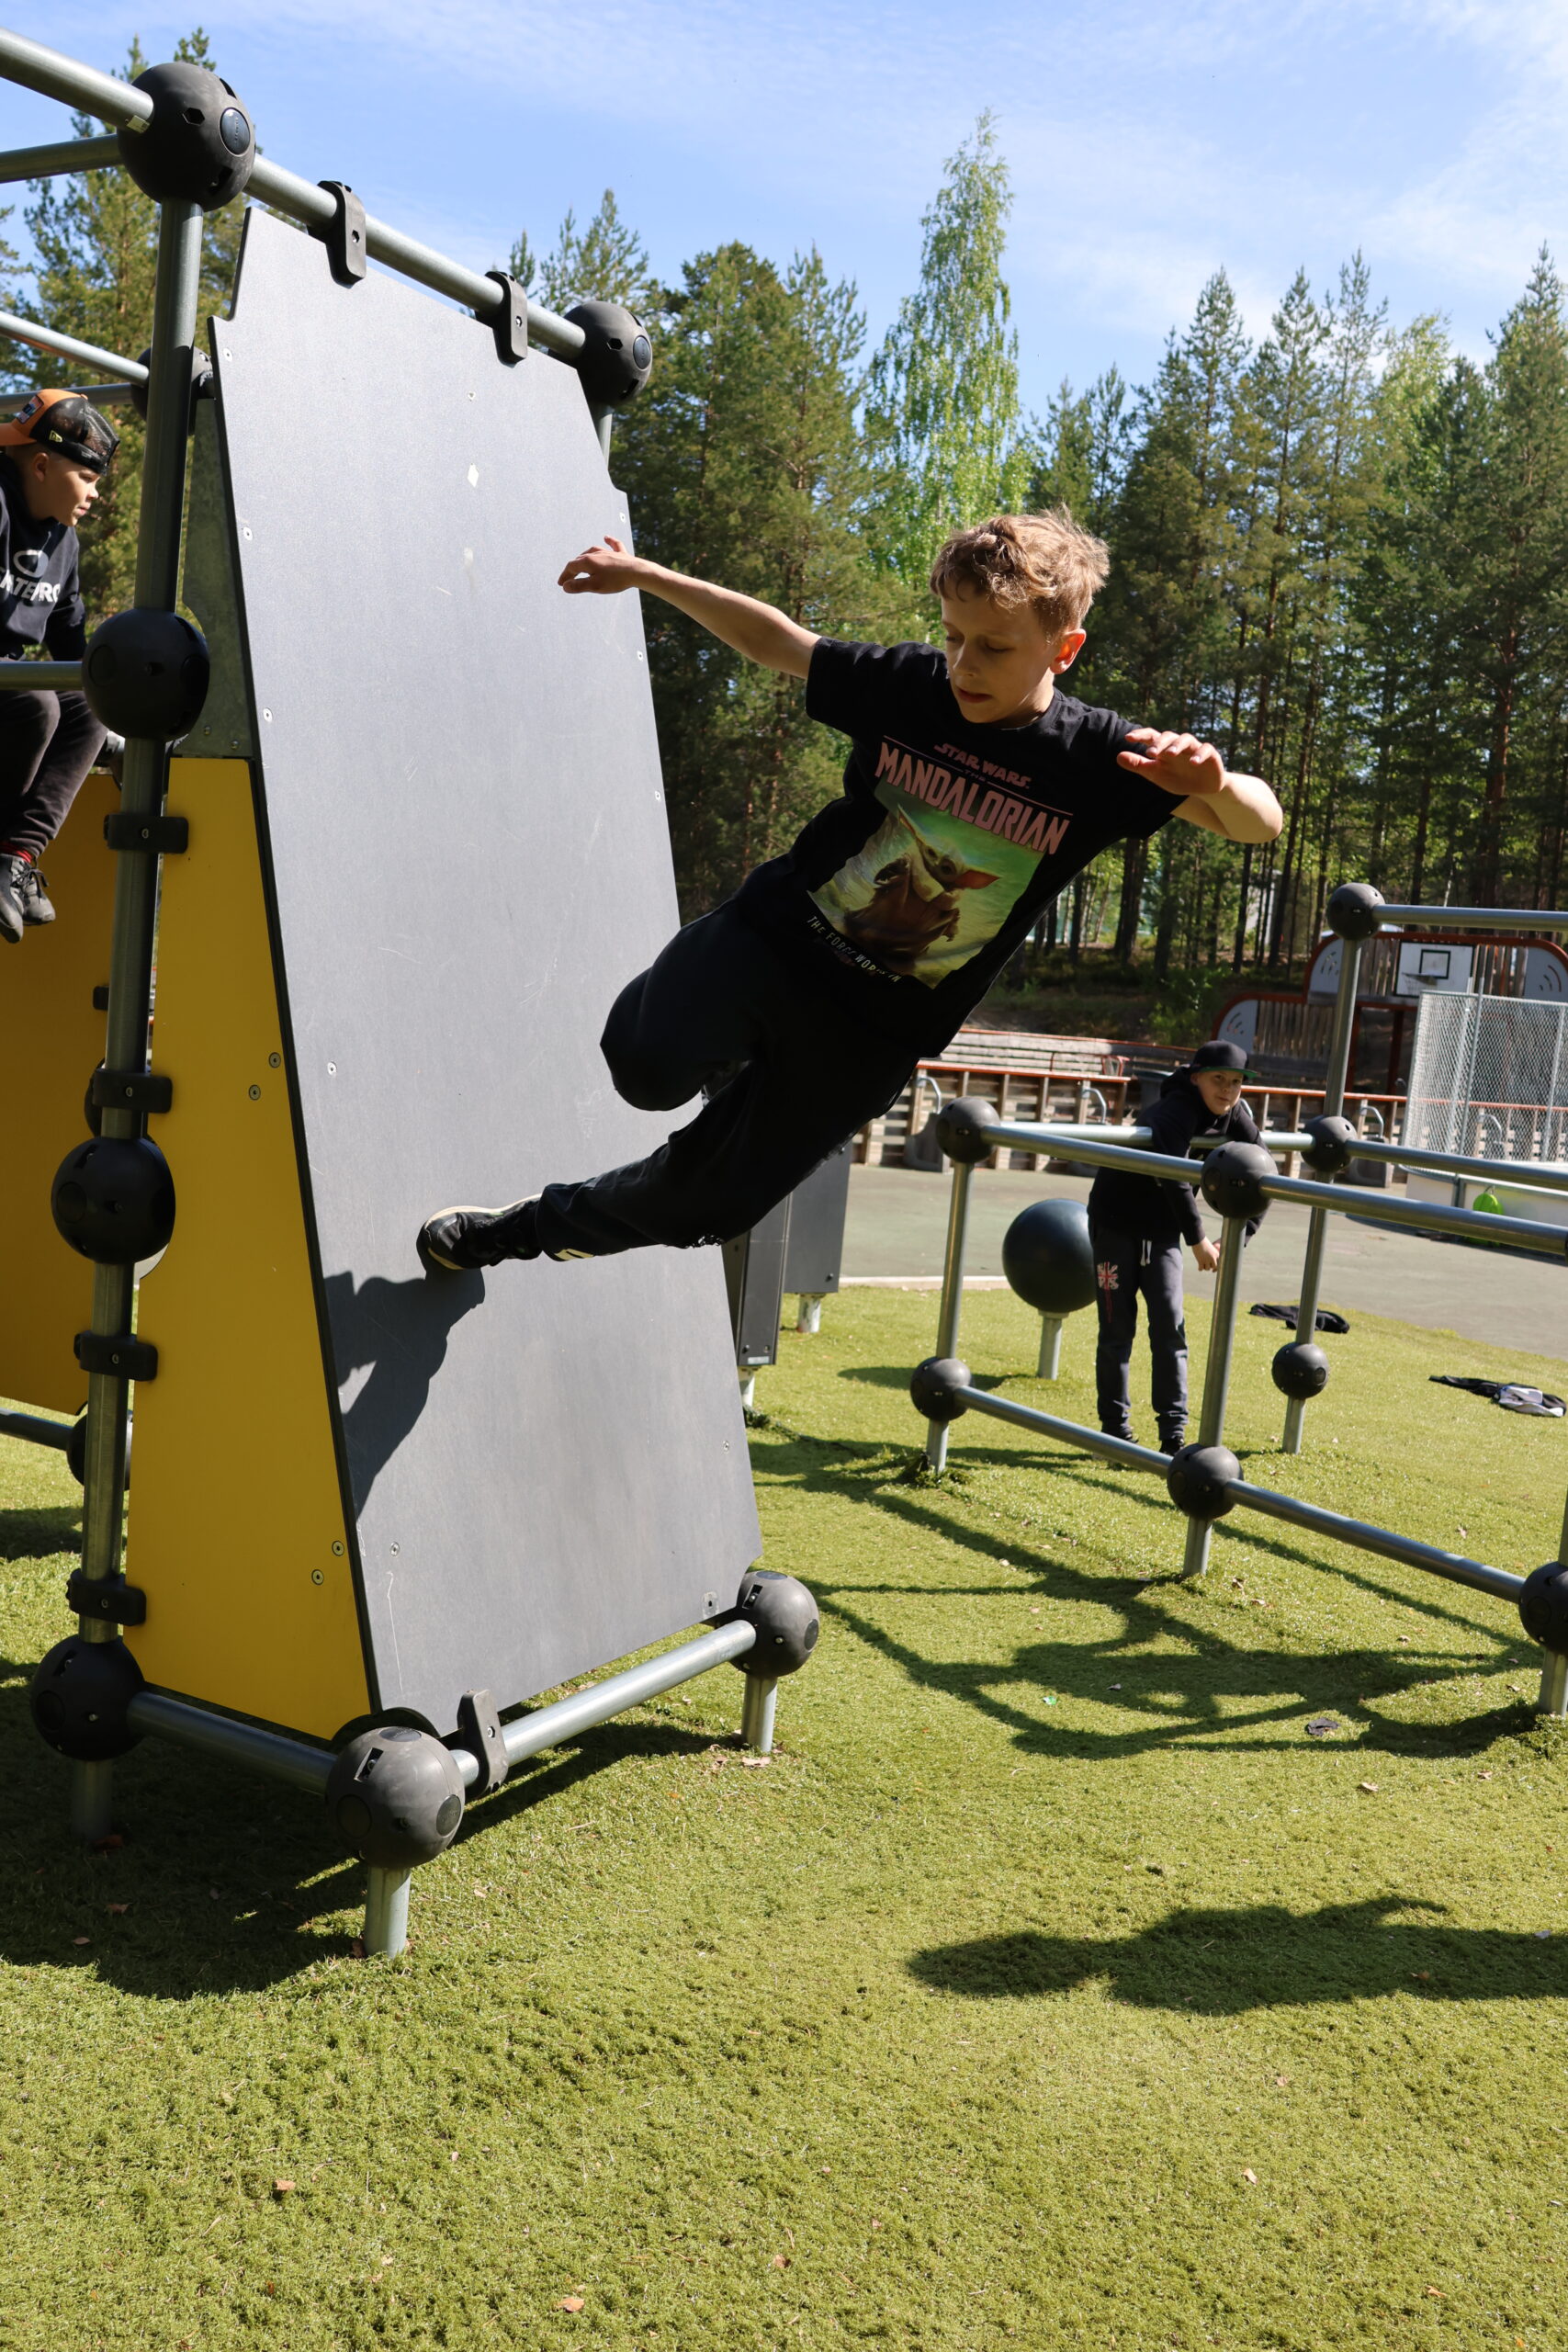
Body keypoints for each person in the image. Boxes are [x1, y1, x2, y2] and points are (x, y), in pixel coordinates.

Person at [417, 509, 1283, 1275]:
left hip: (875, 1027)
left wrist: (1211, 779)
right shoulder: (912, 687)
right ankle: (734, 1064)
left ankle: (518, 1232)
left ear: (1063, 648)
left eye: (992, 647)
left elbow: (1260, 823)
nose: (962, 666)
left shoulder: (1102, 758)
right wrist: (646, 575)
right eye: (951, 635)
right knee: (640, 1070)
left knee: (707, 1210)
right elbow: (781, 642)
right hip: (776, 942)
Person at [1087, 1038, 1262, 1454]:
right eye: (1218, 1079)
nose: (1228, 1090)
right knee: (1117, 1329)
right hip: (1116, 1222)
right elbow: (1173, 1177)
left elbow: (1261, 1172)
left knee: (1170, 1328)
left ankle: (1173, 1436)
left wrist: (1240, 1235)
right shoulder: (1176, 1109)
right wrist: (1199, 1239)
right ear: (1195, 1077)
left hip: (1163, 1232)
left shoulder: (1234, 1114)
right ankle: (1114, 1431)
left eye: (1236, 1082)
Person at [0, 387, 120, 945]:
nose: (94, 495)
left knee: (85, 711)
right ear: (43, 465)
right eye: (89, 479)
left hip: (10, 679)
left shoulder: (63, 541)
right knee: (36, 701)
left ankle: (14, 859)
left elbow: (73, 647)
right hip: (11, 689)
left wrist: (115, 722)